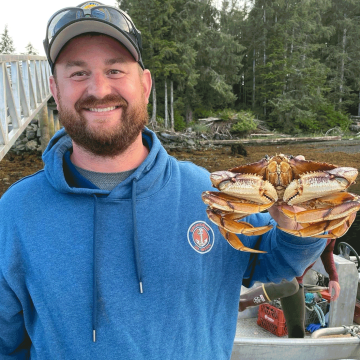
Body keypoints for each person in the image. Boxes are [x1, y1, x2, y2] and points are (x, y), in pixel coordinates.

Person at [0, 2, 327, 359]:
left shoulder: (208, 193)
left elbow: (276, 259)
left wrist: (305, 226)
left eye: (115, 69)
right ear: (54, 89)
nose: (97, 88)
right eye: (77, 73)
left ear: (145, 84)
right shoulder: (15, 213)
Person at [239, 238, 340, 338]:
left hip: (297, 279)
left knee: (298, 333)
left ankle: (295, 353)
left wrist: (333, 277)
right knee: (291, 285)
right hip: (282, 268)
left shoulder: (335, 229)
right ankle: (241, 302)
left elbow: (327, 250)